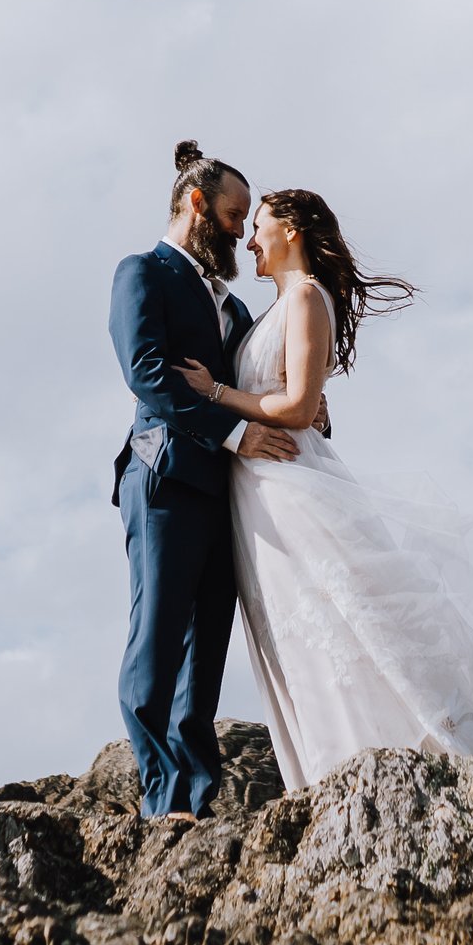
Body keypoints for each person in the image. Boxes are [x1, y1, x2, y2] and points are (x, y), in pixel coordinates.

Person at [175, 186, 473, 789]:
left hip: (289, 488)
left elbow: (298, 405)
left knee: (336, 625)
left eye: (260, 227)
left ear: (291, 229)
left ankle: (382, 758)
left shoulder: (304, 296)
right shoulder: (272, 310)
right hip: (260, 493)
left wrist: (217, 395)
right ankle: (330, 771)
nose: (248, 240)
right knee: (297, 638)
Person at [107, 142, 302, 820]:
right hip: (161, 479)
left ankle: (197, 795)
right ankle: (161, 795)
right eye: (232, 213)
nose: (241, 229)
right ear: (195, 203)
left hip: (226, 496)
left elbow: (257, 389)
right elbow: (148, 375)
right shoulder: (143, 273)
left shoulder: (238, 314)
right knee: (157, 638)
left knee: (205, 658)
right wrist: (236, 433)